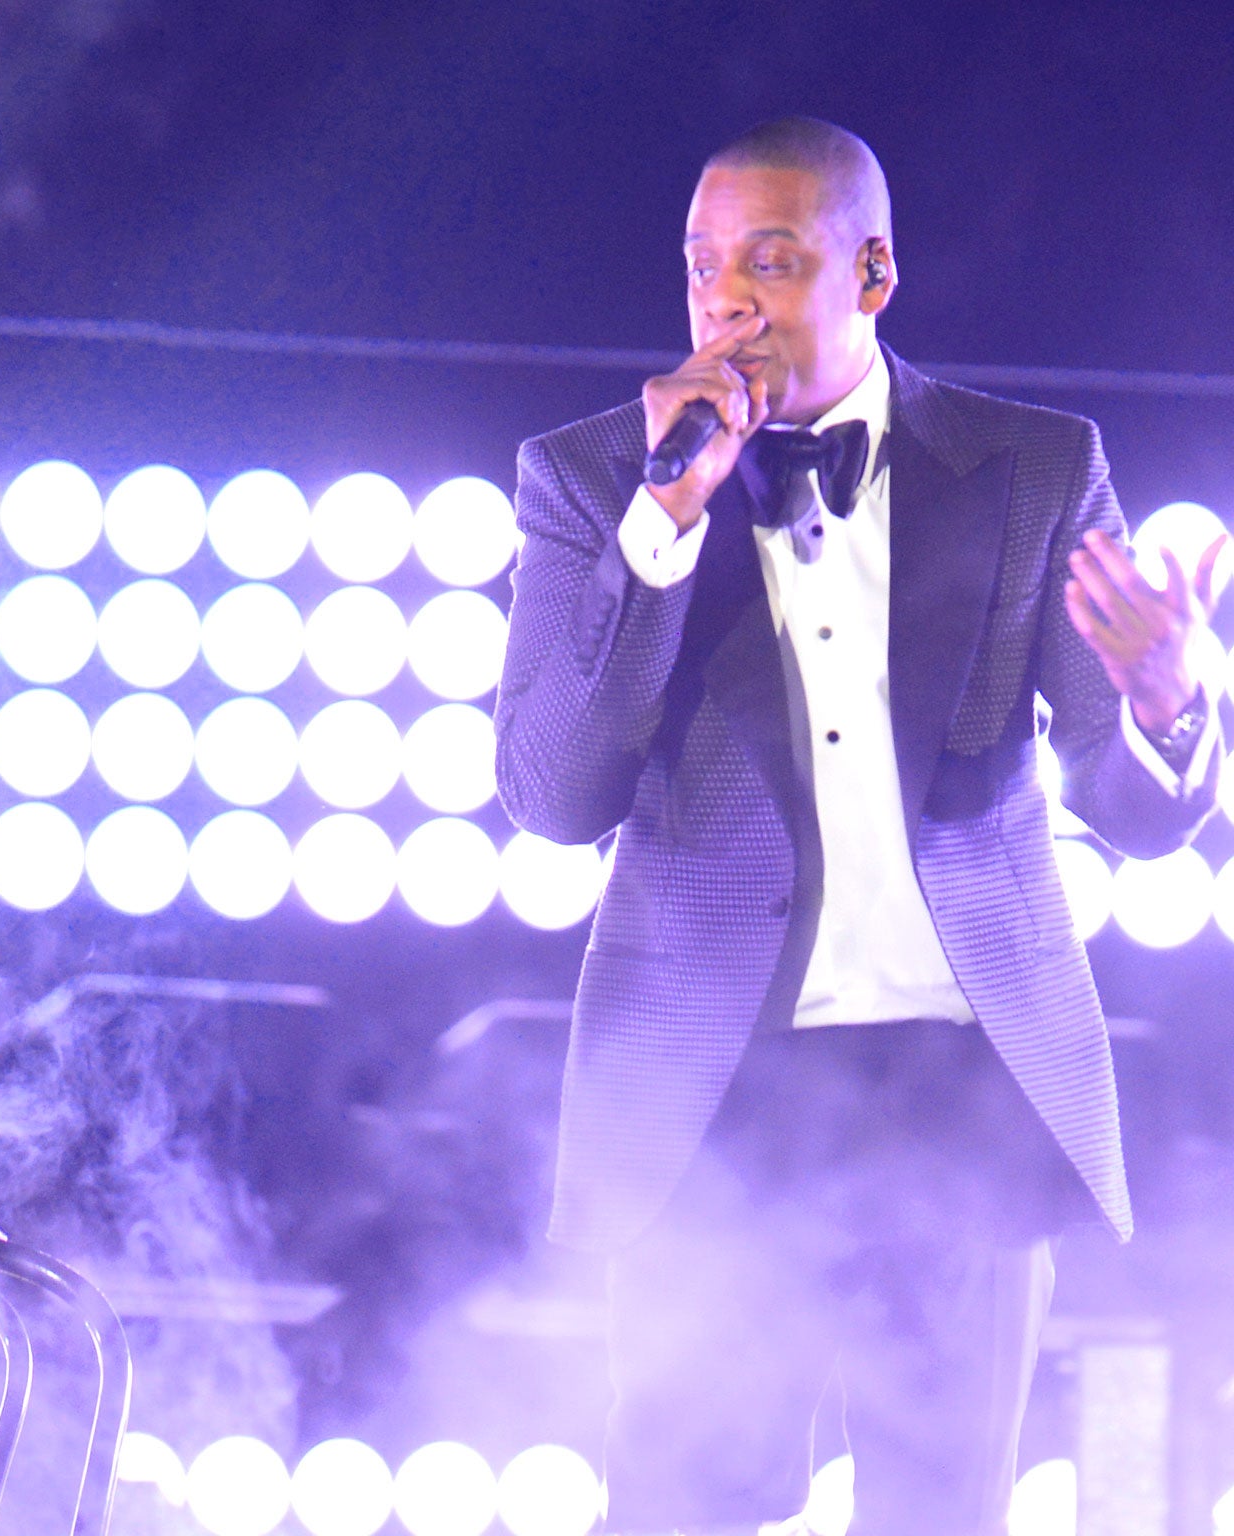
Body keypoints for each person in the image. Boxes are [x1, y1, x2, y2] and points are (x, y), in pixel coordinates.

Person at [495, 117, 1223, 1536]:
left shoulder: (1031, 467)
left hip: (960, 1092)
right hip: (711, 1086)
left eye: (771, 259)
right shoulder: (592, 479)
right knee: (678, 1511)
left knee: (943, 1514)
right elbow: (554, 795)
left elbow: (1131, 818)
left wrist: (1169, 702)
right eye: (704, 266)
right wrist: (666, 526)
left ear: (872, 270)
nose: (727, 299)